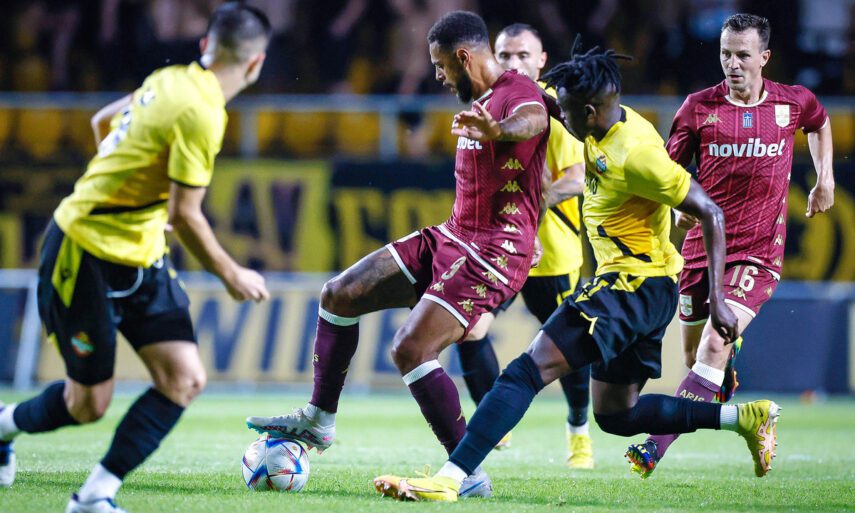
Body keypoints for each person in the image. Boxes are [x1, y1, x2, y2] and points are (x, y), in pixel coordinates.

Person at [373, 40, 781, 502]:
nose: (560, 120)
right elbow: (547, 103)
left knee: (525, 371)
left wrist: (719, 301)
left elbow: (711, 211)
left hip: (631, 286)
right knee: (617, 415)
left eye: (566, 113)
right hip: (648, 290)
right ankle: (745, 418)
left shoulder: (636, 154)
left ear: (588, 111)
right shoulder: (601, 118)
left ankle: (451, 479)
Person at [246, 10, 552, 499]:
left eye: (440, 65)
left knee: (410, 348)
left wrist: (497, 131)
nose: (438, 76)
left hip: (493, 252)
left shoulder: (517, 91)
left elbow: (533, 120)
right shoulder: (480, 102)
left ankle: (467, 474)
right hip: (454, 235)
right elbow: (537, 172)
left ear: (463, 57)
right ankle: (319, 419)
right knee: (339, 294)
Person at [0, 4, 271, 512]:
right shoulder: (202, 112)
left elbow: (102, 121)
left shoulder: (169, 79)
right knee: (87, 404)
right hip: (83, 250)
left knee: (184, 378)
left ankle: (94, 496)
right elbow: (186, 216)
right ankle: (2, 427)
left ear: (205, 47)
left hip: (141, 255)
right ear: (256, 63)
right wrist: (232, 273)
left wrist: (132, 194)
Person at [626, 13, 834, 479]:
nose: (733, 64)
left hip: (758, 254)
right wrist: (677, 206)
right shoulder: (698, 108)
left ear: (764, 57)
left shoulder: (790, 103)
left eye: (743, 55)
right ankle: (743, 408)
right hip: (702, 250)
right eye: (725, 54)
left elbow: (820, 123)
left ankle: (653, 448)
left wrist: (826, 179)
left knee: (714, 344)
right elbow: (667, 172)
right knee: (695, 361)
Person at [457, 22, 594, 468]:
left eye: (523, 55)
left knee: (569, 351)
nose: (514, 63)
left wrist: (531, 208)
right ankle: (496, 422)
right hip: (499, 252)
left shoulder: (551, 110)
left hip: (551, 255)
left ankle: (578, 429)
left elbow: (577, 178)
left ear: (541, 61)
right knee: (468, 327)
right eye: (505, 55)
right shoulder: (488, 106)